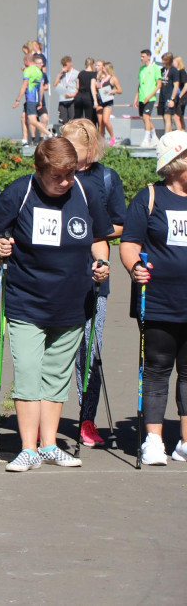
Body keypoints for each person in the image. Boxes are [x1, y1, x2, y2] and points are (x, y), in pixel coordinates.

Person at [0, 137, 111, 473]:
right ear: (38, 171)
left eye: (69, 174)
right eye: (57, 176)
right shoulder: (19, 192)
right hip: (27, 301)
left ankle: (49, 445)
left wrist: (101, 263)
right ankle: (27, 448)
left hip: (72, 302)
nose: (65, 182)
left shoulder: (85, 192)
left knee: (56, 377)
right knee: (27, 372)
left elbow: (98, 239)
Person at [120, 130, 187, 464]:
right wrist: (135, 267)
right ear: (177, 163)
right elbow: (130, 243)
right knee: (158, 369)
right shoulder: (149, 197)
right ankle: (154, 440)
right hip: (158, 300)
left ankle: (185, 442)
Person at [62, 119, 125, 447]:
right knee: (61, 349)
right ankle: (48, 419)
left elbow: (120, 224)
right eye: (66, 146)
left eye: (78, 149)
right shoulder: (55, 176)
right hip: (56, 274)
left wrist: (88, 228)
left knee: (90, 349)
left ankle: (87, 419)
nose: (72, 154)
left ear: (92, 148)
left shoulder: (105, 177)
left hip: (94, 273)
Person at [13, 54, 49, 146]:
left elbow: (24, 86)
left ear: (26, 61)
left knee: (32, 121)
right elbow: (41, 88)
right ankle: (25, 140)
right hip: (36, 99)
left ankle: (50, 134)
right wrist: (40, 100)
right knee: (23, 117)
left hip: (30, 99)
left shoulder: (28, 71)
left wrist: (17, 100)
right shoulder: (39, 72)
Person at [137, 49, 163, 148]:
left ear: (148, 56)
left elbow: (159, 84)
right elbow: (140, 84)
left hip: (150, 98)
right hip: (142, 97)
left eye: (143, 56)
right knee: (145, 118)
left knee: (146, 116)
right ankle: (154, 137)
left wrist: (150, 95)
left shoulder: (155, 68)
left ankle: (146, 139)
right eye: (141, 56)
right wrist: (136, 98)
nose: (141, 58)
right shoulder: (141, 69)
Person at [94, 61, 122, 146]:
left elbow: (120, 90)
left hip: (108, 101)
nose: (102, 69)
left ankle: (112, 137)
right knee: (100, 122)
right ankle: (101, 140)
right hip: (100, 100)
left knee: (105, 120)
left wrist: (114, 91)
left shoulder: (113, 78)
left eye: (104, 68)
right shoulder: (101, 77)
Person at [159, 52, 181, 138]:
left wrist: (172, 98)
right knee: (163, 116)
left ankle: (166, 136)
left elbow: (176, 85)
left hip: (169, 96)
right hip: (162, 96)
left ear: (168, 60)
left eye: (164, 60)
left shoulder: (174, 70)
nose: (163, 61)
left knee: (167, 116)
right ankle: (170, 135)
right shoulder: (163, 70)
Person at [53, 56, 79, 126]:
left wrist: (73, 95)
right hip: (62, 99)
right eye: (63, 65)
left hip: (72, 99)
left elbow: (78, 87)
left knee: (72, 120)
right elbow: (54, 84)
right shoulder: (62, 74)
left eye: (66, 65)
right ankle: (65, 135)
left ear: (70, 63)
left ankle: (72, 135)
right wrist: (60, 74)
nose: (64, 66)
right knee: (63, 121)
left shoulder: (76, 73)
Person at [73, 57, 98, 124]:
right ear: (93, 64)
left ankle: (74, 131)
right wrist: (95, 101)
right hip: (88, 96)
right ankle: (87, 132)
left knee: (77, 117)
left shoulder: (81, 73)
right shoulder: (93, 74)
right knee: (88, 119)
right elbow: (92, 87)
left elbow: (77, 86)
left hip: (79, 96)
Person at [174, 56, 187, 132]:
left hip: (182, 97)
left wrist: (180, 95)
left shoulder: (182, 72)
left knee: (176, 117)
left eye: (174, 62)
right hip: (178, 97)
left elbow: (186, 85)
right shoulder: (176, 72)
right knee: (180, 116)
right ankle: (183, 132)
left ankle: (179, 134)